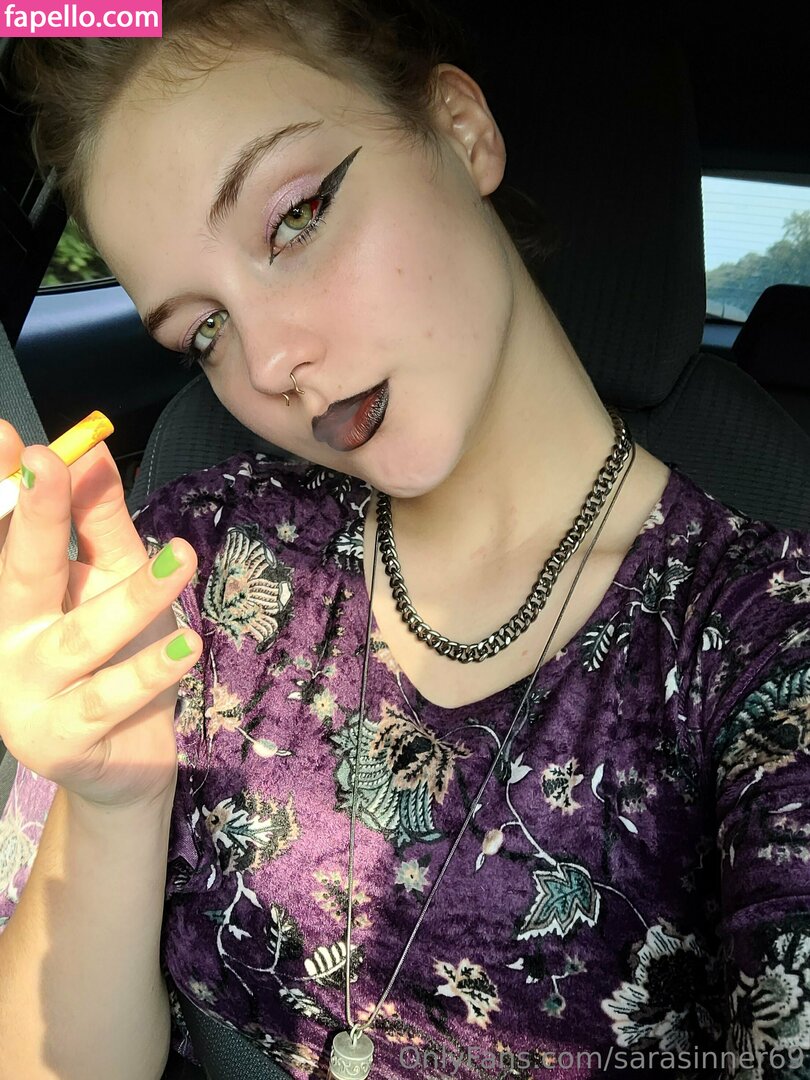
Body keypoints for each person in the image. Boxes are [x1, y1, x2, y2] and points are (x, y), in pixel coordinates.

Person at [1, 3, 809, 1078]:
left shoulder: (763, 651)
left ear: (460, 131)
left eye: (295, 218)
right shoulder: (190, 564)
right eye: (205, 330)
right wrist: (116, 802)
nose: (272, 362)